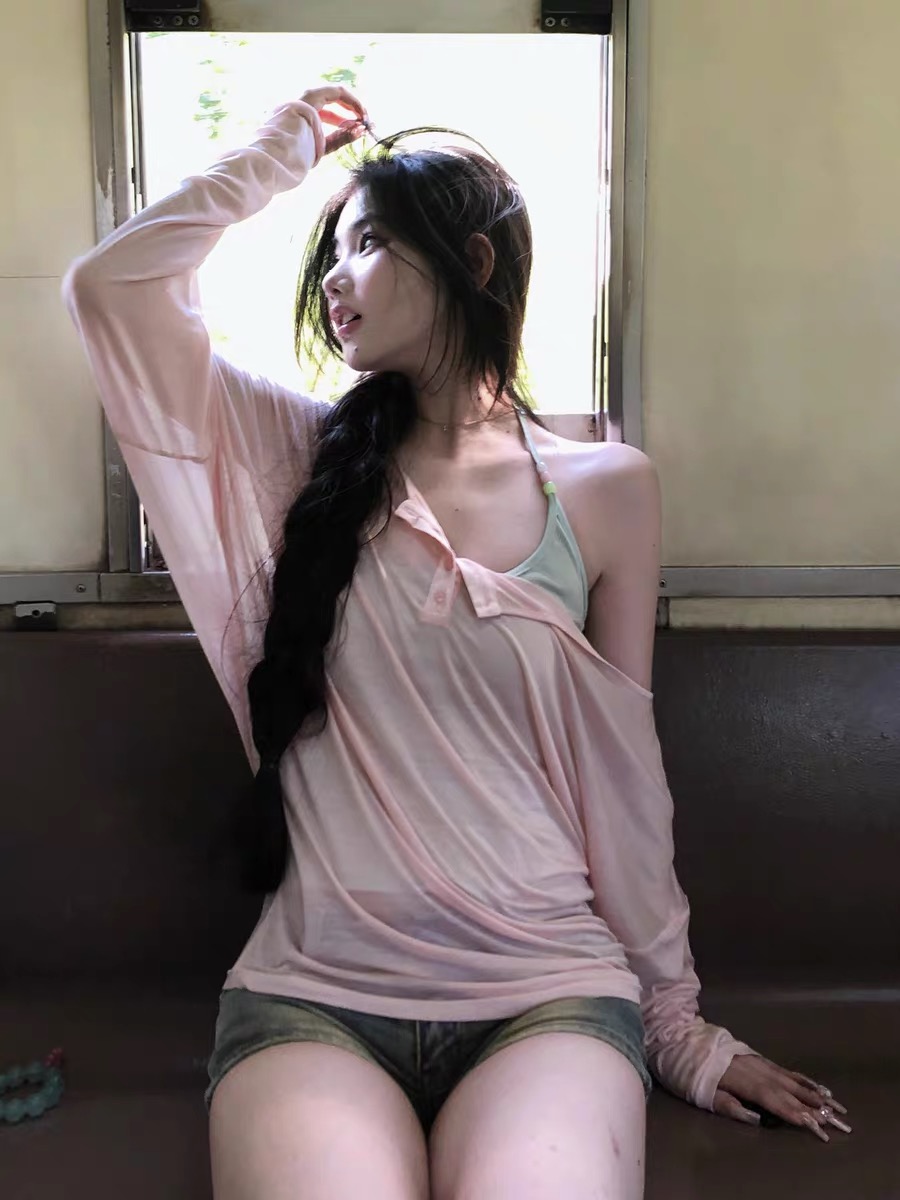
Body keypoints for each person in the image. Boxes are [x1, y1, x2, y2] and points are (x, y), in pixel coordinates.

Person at [62, 84, 850, 1199]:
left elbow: (624, 782)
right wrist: (283, 150)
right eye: (330, 254)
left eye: (368, 244)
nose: (334, 278)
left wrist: (676, 1025)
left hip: (547, 995)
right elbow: (111, 290)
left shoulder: (607, 489)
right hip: (312, 999)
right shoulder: (295, 459)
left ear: (473, 263)